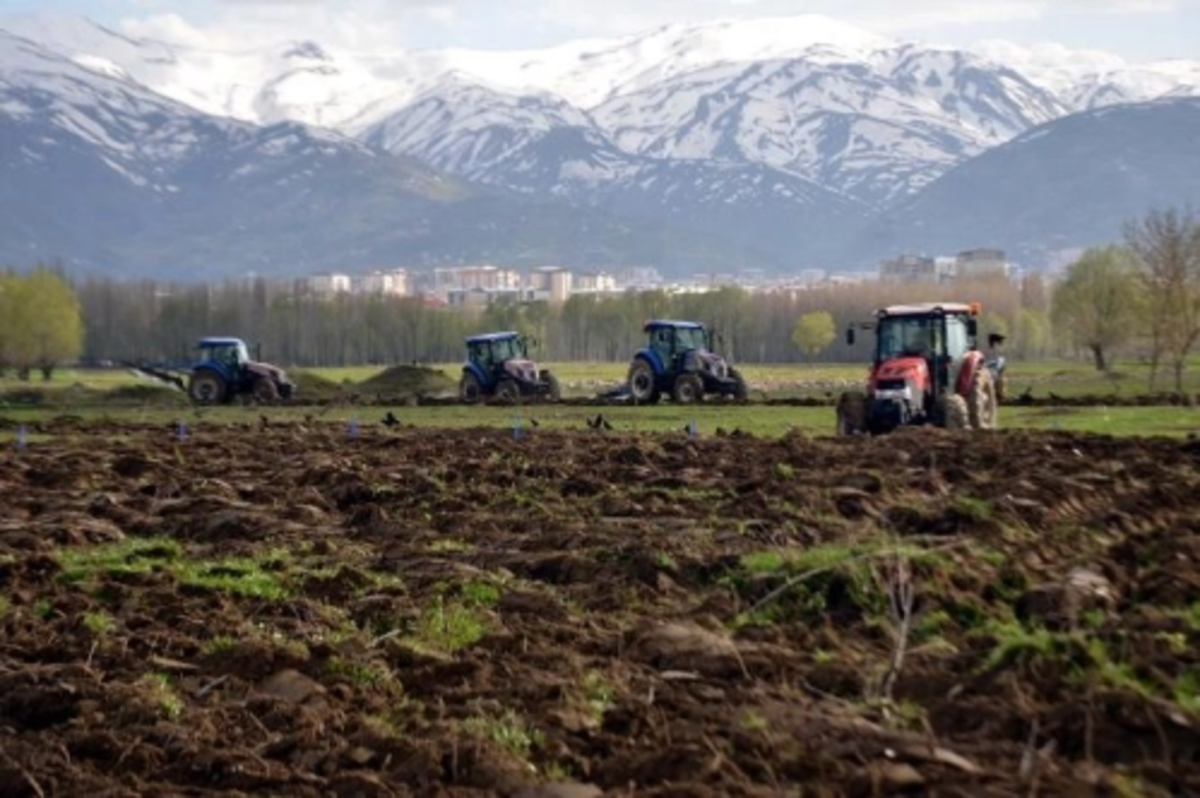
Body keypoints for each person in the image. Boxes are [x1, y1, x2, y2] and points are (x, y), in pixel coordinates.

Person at [986, 333, 1007, 401]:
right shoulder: (992, 349)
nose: (1002, 342)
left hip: (996, 369)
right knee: (999, 381)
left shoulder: (997, 349)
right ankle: (998, 396)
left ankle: (999, 395)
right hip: (992, 370)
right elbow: (993, 361)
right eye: (1000, 341)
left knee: (1000, 381)